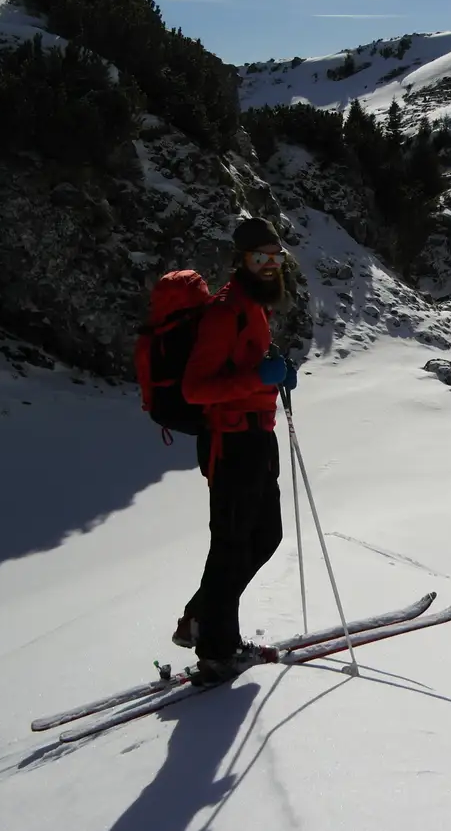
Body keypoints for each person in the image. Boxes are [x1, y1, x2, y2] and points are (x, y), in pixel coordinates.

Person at [171, 216, 299, 681]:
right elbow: (195, 389)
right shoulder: (226, 311)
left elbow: (246, 369)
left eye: (275, 257)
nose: (269, 265)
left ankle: (201, 615)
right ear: (241, 260)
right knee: (230, 546)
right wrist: (257, 380)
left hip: (257, 438)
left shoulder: (255, 306)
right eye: (259, 257)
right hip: (231, 444)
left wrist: (275, 378)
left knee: (265, 537)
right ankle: (216, 649)